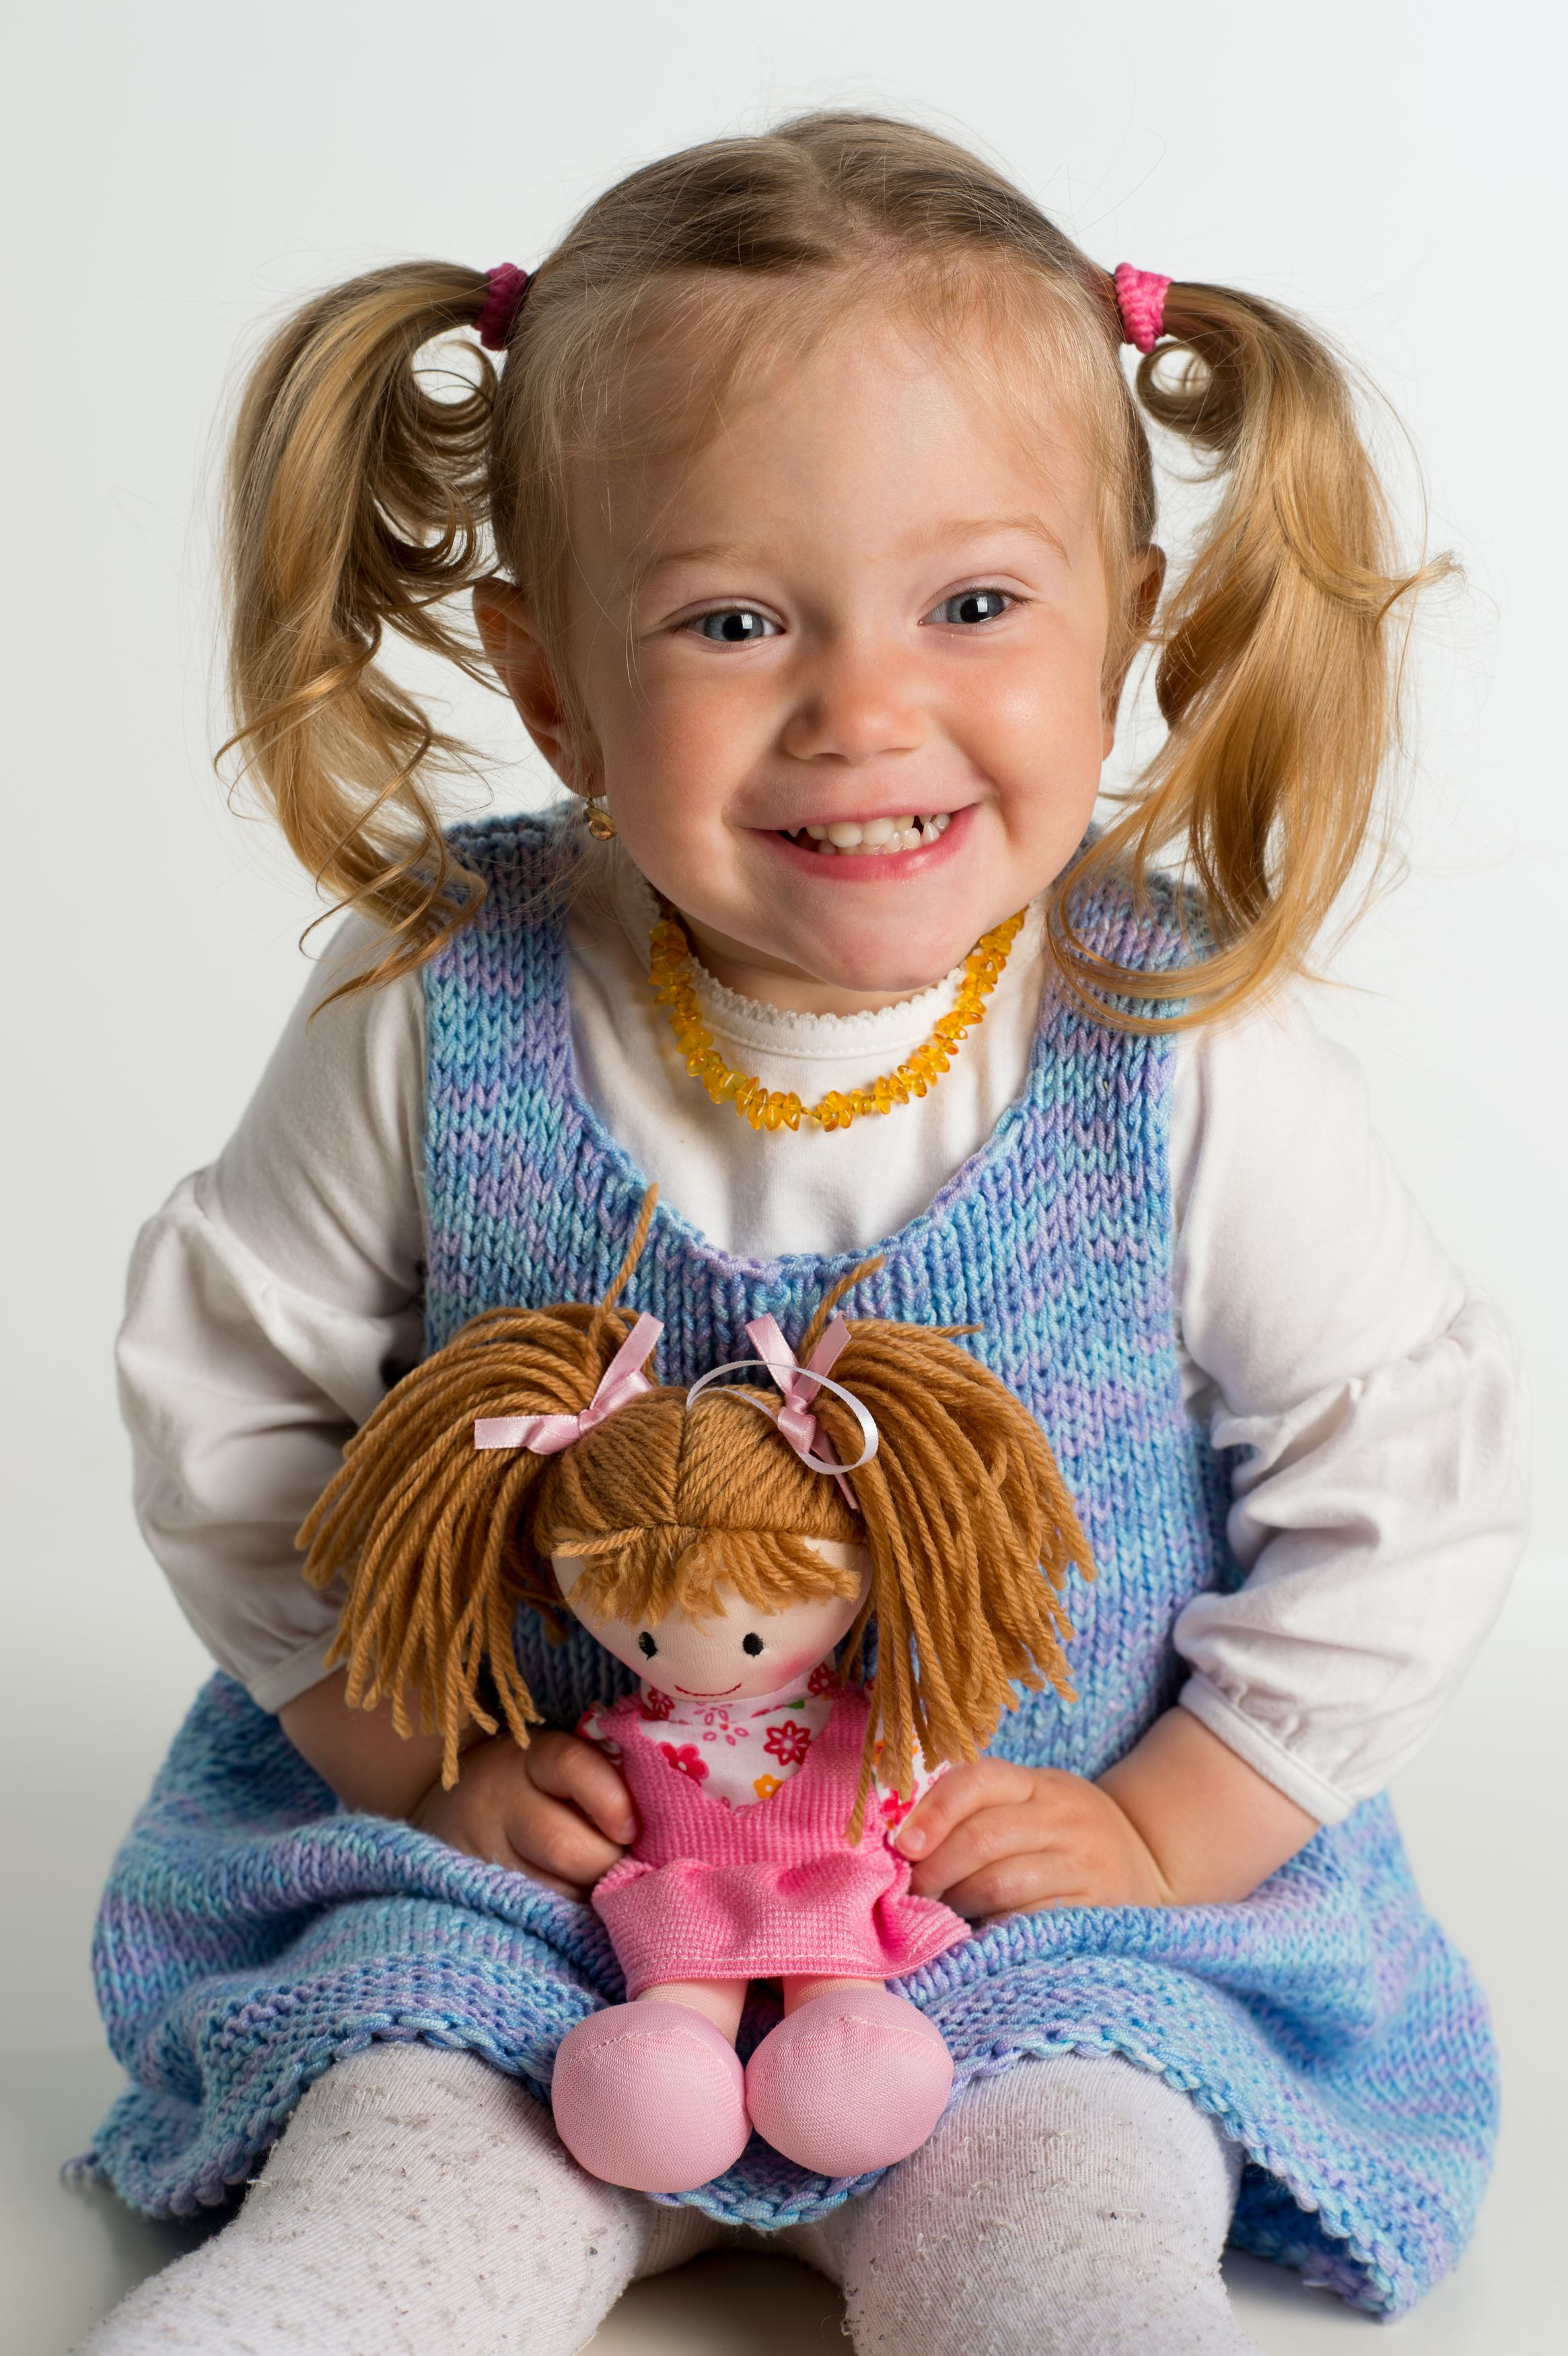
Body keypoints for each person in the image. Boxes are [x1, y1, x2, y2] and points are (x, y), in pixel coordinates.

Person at [77, 111, 1526, 2356]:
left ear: (1125, 628)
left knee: (1071, 2187)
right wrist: (410, 1757)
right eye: (733, 621)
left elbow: (1394, 1470)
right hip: (549, 1904)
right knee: (410, 2125)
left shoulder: (1170, 1038)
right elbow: (227, 1394)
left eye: (974, 605)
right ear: (549, 682)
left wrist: (1168, 1823)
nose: (863, 709)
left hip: (1020, 1911)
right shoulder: (442, 997)